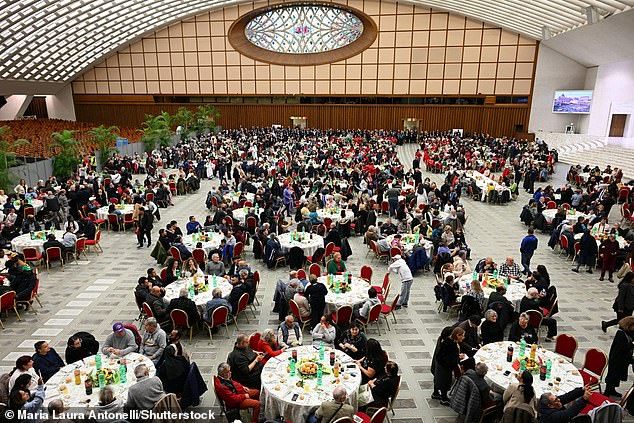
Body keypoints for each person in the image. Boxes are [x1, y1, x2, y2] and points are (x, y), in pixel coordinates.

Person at [432, 327, 465, 405]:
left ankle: (435, 393)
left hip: (439, 363)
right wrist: (458, 358)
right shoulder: (453, 346)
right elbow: (452, 360)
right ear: (457, 335)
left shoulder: (446, 341)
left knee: (437, 379)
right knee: (444, 382)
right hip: (445, 366)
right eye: (462, 335)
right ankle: (444, 399)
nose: (463, 337)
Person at [604, 316, 634, 397]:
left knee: (617, 376)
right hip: (617, 359)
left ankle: (612, 389)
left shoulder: (628, 333)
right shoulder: (621, 334)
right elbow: (623, 347)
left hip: (623, 359)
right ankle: (607, 392)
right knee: (613, 375)